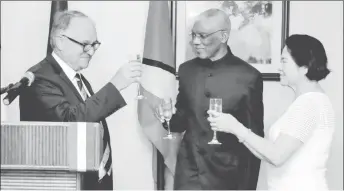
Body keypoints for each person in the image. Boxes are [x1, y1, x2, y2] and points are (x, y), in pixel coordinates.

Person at [19, 10, 142, 190]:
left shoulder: (79, 80)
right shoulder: (39, 78)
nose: (91, 51)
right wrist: (115, 85)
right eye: (85, 44)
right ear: (60, 40)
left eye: (94, 44)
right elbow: (69, 123)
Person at [208, 34, 335, 191]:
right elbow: (268, 155)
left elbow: (277, 156)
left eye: (284, 61)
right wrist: (234, 129)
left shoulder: (309, 104)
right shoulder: (310, 101)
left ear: (304, 67)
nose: (279, 67)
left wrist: (235, 127)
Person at [158, 9, 264, 190]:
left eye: (203, 36)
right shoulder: (186, 71)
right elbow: (181, 122)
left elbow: (254, 140)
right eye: (193, 35)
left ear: (223, 36)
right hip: (188, 177)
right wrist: (166, 120)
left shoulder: (249, 77)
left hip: (229, 179)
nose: (195, 42)